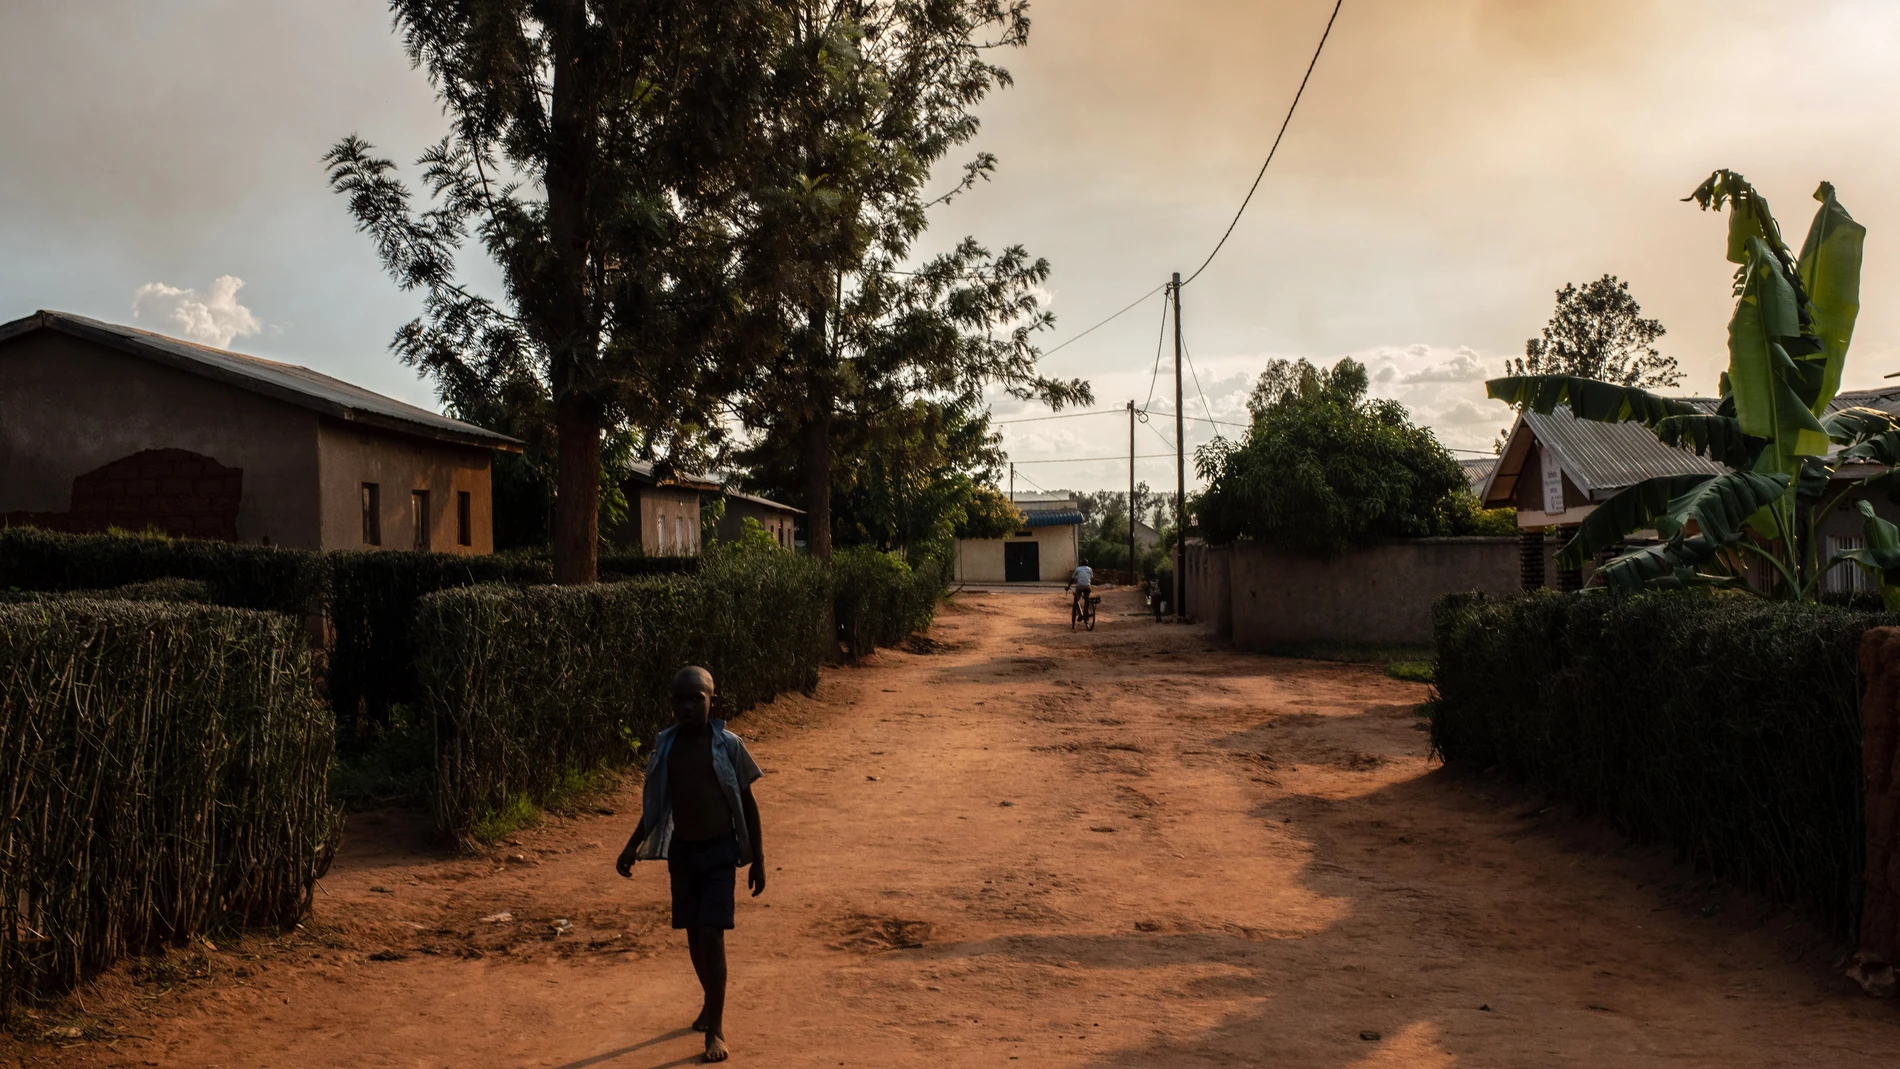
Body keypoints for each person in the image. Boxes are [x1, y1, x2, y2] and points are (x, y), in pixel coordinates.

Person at [617, 666, 766, 1064]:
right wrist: (631, 846)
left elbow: (748, 804)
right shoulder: (667, 747)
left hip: (720, 852)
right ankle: (709, 1000)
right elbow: (657, 805)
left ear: (711, 701)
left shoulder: (728, 745)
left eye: (695, 699)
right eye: (679, 699)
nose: (686, 706)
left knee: (710, 933)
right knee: (693, 937)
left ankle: (715, 1029)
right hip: (683, 854)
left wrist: (758, 861)